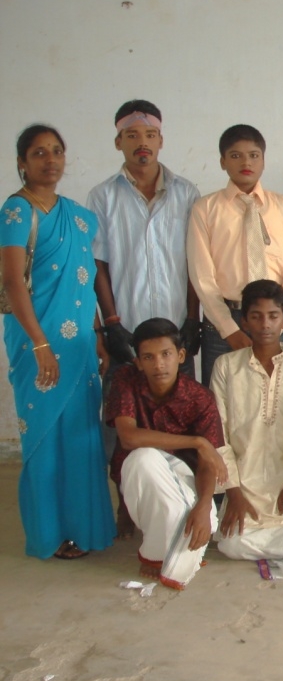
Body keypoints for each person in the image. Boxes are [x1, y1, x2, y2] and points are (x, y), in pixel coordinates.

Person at [88, 100, 203, 537]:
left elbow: (195, 260)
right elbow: (99, 263)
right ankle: (126, 503)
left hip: (175, 329)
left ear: (161, 141)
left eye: (150, 136)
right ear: (119, 142)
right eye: (132, 136)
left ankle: (179, 495)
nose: (142, 144)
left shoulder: (186, 192)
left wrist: (192, 318)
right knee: (124, 419)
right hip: (127, 329)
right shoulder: (102, 196)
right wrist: (111, 322)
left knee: (177, 414)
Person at [2, 124, 115, 560]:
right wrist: (39, 344)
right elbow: (13, 283)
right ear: (21, 163)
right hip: (37, 345)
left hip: (80, 347)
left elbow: (83, 284)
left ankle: (85, 528)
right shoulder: (16, 213)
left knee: (81, 436)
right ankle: (50, 534)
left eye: (56, 152)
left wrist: (99, 336)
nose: (49, 160)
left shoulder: (80, 217)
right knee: (44, 437)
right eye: (38, 153)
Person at [211, 280, 283, 579]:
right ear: (244, 321)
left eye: (273, 316)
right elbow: (217, 433)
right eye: (257, 316)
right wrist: (232, 492)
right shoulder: (226, 366)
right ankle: (279, 542)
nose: (265, 324)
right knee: (231, 545)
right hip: (243, 485)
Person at [106, 318, 227, 589]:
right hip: (139, 474)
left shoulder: (200, 397)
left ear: (181, 356)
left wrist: (205, 504)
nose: (158, 364)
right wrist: (196, 441)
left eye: (166, 354)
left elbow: (209, 463)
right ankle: (154, 555)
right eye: (148, 357)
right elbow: (129, 437)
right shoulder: (126, 380)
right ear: (138, 362)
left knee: (196, 517)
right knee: (143, 457)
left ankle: (162, 548)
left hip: (184, 478)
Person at [187, 124, 283, 385]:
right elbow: (201, 274)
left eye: (253, 155)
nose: (246, 162)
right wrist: (228, 329)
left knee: (276, 401)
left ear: (263, 160)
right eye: (236, 155)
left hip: (273, 320)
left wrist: (280, 320)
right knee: (222, 403)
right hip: (224, 323)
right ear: (222, 162)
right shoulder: (205, 209)